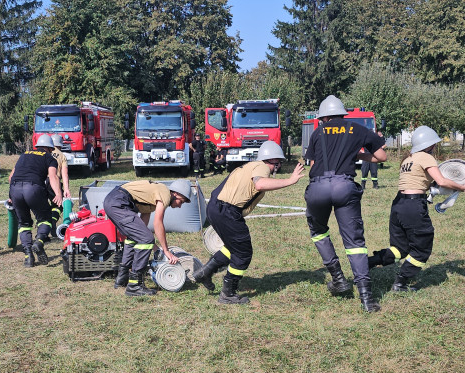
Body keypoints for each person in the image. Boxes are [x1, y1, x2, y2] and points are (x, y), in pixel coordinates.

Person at [193, 141, 304, 304]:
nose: (278, 167)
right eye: (277, 163)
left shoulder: (249, 166)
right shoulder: (262, 167)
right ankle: (228, 293)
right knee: (243, 253)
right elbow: (259, 183)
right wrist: (290, 180)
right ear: (269, 160)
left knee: (233, 247)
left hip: (216, 207)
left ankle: (205, 272)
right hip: (227, 210)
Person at [303, 95, 387, 312]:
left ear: (323, 117)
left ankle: (338, 278)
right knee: (354, 242)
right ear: (342, 114)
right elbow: (381, 157)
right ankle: (367, 298)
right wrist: (358, 156)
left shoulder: (317, 133)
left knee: (319, 232)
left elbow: (313, 163)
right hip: (345, 186)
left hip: (318, 187)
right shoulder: (356, 129)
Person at [367, 126, 465, 292]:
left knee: (399, 248)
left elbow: (424, 182)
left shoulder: (409, 158)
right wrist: (462, 187)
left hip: (398, 204)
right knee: (422, 249)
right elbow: (442, 181)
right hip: (413, 206)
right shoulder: (426, 157)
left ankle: (368, 263)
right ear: (430, 145)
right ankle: (400, 284)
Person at [104, 178, 191, 297]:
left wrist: (156, 249)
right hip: (119, 202)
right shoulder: (165, 194)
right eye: (181, 201)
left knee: (135, 237)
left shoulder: (153, 196)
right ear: (175, 193)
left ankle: (122, 278)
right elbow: (158, 223)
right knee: (147, 239)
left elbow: (143, 226)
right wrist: (166, 251)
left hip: (113, 200)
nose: (180, 206)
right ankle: (135, 286)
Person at [9, 135, 61, 267]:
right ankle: (39, 242)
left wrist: (11, 194)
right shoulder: (49, 157)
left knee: (24, 223)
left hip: (15, 189)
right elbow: (53, 177)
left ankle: (28, 257)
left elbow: (11, 177)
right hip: (33, 188)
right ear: (50, 148)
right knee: (45, 219)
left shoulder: (24, 155)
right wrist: (58, 193)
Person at [42, 138, 71, 239]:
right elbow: (65, 174)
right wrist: (66, 189)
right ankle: (53, 219)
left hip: (40, 182)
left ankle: (42, 233)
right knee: (58, 204)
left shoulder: (42, 153)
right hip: (54, 182)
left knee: (42, 207)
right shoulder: (62, 156)